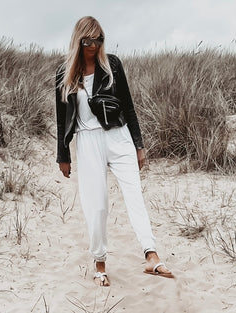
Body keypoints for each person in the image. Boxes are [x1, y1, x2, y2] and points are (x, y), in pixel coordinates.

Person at [55, 16, 174, 286]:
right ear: (78, 41)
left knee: (135, 195)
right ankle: (100, 263)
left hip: (118, 137)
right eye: (88, 41)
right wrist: (63, 155)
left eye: (99, 40)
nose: (94, 46)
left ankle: (151, 254)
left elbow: (129, 106)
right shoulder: (64, 74)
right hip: (87, 143)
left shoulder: (113, 65)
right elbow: (61, 119)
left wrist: (138, 145)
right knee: (96, 207)